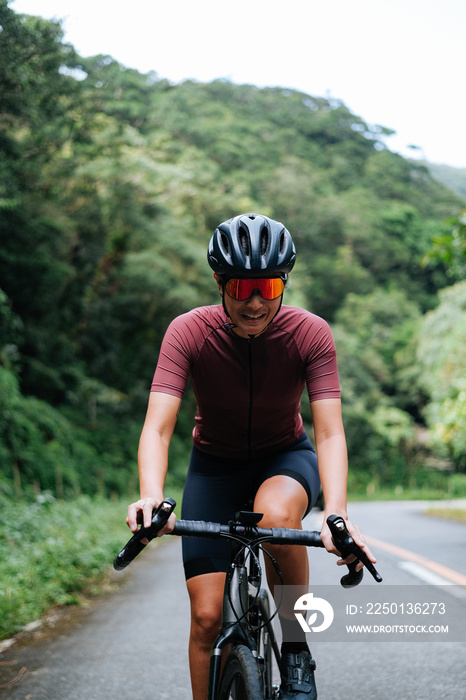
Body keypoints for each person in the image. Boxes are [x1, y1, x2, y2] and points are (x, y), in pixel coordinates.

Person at [127, 213, 376, 700]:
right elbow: (158, 427)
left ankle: (297, 652)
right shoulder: (188, 332)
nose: (256, 302)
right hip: (213, 469)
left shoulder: (310, 334)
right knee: (205, 617)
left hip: (285, 457)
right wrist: (150, 497)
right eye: (242, 287)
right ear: (221, 283)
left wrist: (337, 514)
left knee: (277, 514)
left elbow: (328, 433)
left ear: (283, 283)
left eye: (267, 286)